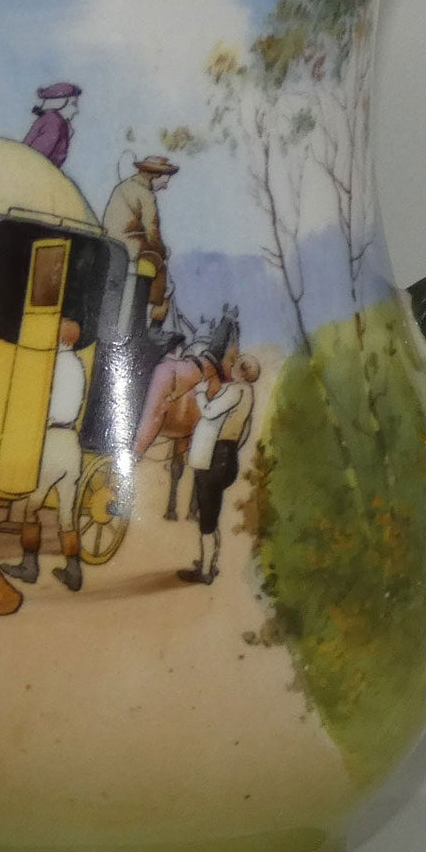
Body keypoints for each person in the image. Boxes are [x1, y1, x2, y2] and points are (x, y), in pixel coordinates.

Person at [1, 317, 88, 591]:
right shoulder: (79, 366)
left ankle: (29, 566)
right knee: (66, 515)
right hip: (71, 443)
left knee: (30, 508)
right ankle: (74, 571)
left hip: (52, 442)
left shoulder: (52, 364)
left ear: (60, 338)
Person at [178, 354, 261, 586]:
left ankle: (205, 571)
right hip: (228, 455)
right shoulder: (248, 394)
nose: (231, 366)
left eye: (236, 364)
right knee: (211, 512)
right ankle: (209, 561)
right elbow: (245, 431)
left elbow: (209, 411)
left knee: (207, 516)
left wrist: (201, 393)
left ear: (240, 371)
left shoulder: (235, 390)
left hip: (215, 458)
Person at [101, 155, 178, 326]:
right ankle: (153, 324)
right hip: (133, 249)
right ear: (155, 175)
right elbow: (152, 232)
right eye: (165, 180)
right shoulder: (146, 195)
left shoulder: (122, 187)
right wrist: (163, 252)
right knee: (166, 282)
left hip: (111, 247)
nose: (166, 185)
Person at [22, 82, 81, 168]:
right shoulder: (54, 122)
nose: (76, 110)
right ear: (61, 103)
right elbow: (37, 159)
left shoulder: (51, 120)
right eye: (73, 104)